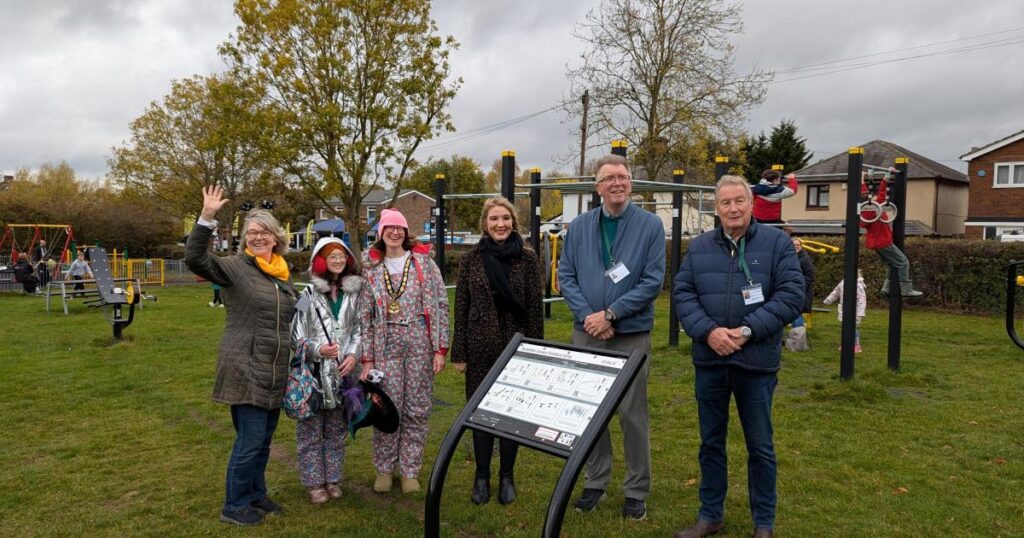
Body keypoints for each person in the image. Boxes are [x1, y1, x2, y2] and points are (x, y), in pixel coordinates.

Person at [672, 175, 804, 538]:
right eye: (725, 202)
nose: (733, 208)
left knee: (760, 445)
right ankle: (710, 515)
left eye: (739, 201)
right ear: (717, 209)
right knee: (710, 442)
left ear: (751, 204)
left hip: (756, 362)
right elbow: (683, 293)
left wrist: (746, 331)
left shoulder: (777, 243)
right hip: (710, 360)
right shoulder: (699, 248)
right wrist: (709, 332)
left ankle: (764, 523)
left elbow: (792, 295)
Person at [557, 154, 665, 520]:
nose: (616, 183)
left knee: (632, 414)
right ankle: (595, 480)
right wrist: (590, 317)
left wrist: (612, 314)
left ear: (631, 182)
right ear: (597, 186)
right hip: (587, 332)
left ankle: (636, 489)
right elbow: (566, 275)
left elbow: (653, 281)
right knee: (589, 413)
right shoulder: (580, 226)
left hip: (630, 333)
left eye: (623, 176)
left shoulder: (650, 226)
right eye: (609, 178)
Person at [185, 186, 297, 526]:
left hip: (275, 366)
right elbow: (195, 259)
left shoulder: (282, 273)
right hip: (246, 365)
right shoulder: (234, 268)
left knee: (263, 440)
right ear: (245, 239)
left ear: (276, 238)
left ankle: (255, 494)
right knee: (249, 441)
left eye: (264, 232)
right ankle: (234, 505)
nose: (257, 236)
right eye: (252, 232)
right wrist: (206, 217)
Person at [451, 197, 544, 506]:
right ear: (485, 224)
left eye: (505, 218)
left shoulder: (528, 259)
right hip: (479, 347)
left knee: (510, 415)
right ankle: (481, 476)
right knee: (480, 414)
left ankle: (507, 476)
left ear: (513, 222)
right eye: (494, 219)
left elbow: (534, 309)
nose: (500, 224)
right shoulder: (471, 259)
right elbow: (461, 307)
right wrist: (459, 352)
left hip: (516, 348)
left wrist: (535, 352)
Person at [359, 208, 449, 494]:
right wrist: (367, 357)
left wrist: (440, 348)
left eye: (400, 228)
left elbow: (441, 306)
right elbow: (364, 314)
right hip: (385, 346)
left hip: (420, 345)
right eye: (389, 228)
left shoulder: (424, 263)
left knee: (417, 408)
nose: (395, 233)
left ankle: (410, 469)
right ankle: (384, 468)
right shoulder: (370, 267)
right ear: (381, 233)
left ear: (406, 232)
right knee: (386, 406)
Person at [290, 237, 363, 504]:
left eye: (341, 256)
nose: (337, 260)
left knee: (336, 430)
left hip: (344, 375)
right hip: (314, 376)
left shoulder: (353, 295)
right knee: (310, 430)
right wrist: (318, 349)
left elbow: (358, 329)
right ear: (320, 260)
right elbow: (294, 334)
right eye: (331, 256)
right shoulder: (306, 296)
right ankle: (313, 482)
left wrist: (354, 354)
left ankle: (332, 478)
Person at [859, 179, 923, 297]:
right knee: (903, 262)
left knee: (890, 263)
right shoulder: (872, 208)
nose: (871, 195)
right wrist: (884, 180)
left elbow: (874, 198)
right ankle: (906, 289)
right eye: (868, 194)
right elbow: (881, 196)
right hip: (883, 242)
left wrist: (862, 179)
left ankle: (886, 288)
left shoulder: (865, 211)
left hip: (876, 243)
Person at [822, 271, 867, 353]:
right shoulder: (843, 282)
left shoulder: (858, 285)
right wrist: (828, 300)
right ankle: (845, 343)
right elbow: (836, 292)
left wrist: (860, 312)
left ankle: (856, 345)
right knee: (845, 327)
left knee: (853, 328)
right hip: (844, 308)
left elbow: (862, 300)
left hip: (855, 310)